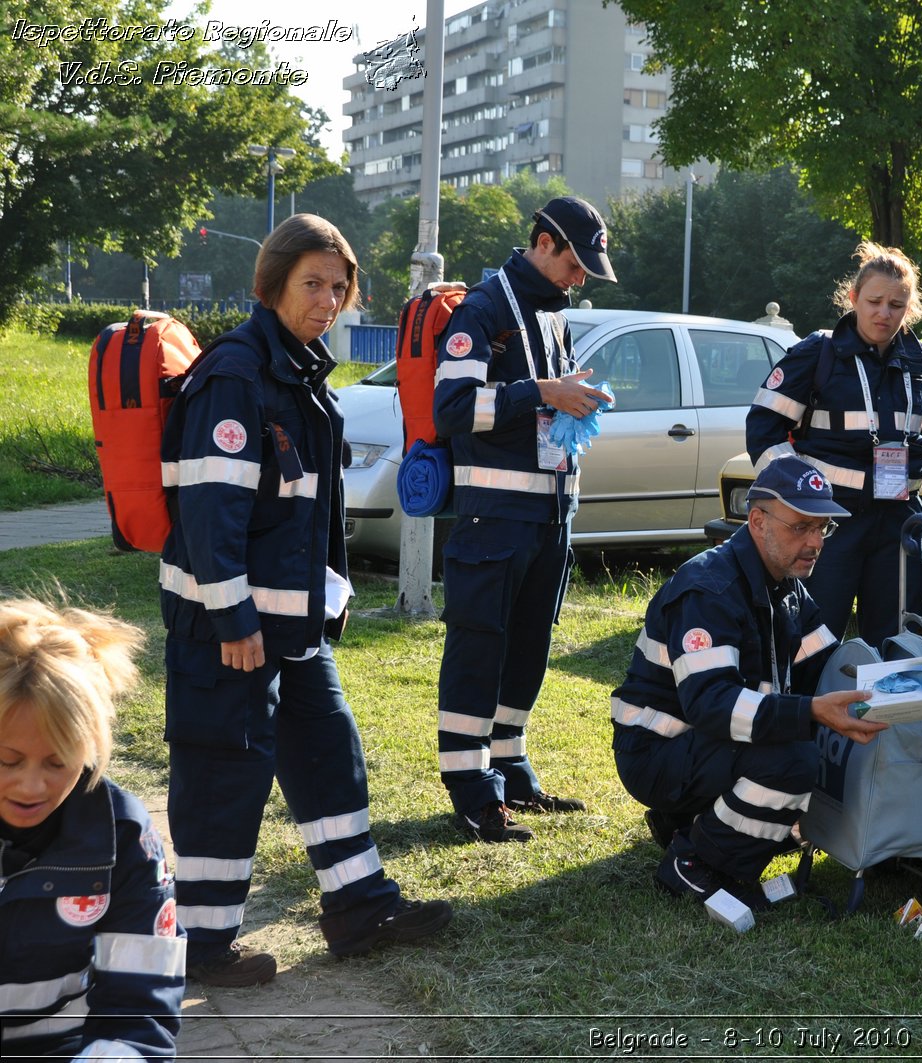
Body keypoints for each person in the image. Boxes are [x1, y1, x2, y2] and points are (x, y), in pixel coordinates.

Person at [161, 214, 452, 986]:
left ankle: (361, 908)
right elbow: (208, 512)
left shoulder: (299, 369)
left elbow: (308, 511)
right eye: (311, 284)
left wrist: (329, 597)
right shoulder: (236, 373)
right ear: (272, 286)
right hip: (229, 626)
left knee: (329, 753)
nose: (328, 300)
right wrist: (232, 617)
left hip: (294, 623)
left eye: (338, 285)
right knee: (226, 772)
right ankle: (200, 945)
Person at [612, 456, 887, 902]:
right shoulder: (709, 589)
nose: (816, 542)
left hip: (697, 743)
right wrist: (812, 713)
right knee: (795, 761)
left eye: (823, 528)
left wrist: (897, 686)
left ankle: (686, 820)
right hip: (655, 752)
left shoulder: (785, 583)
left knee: (803, 758)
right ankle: (694, 863)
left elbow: (828, 666)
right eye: (802, 527)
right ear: (757, 521)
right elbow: (713, 704)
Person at [432, 196, 617, 844]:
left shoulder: (550, 315)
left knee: (529, 647)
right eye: (574, 262)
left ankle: (510, 766)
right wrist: (544, 392)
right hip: (495, 517)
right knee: (480, 647)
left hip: (548, 516)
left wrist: (573, 401)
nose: (580, 277)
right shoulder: (481, 311)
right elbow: (452, 407)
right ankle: (470, 790)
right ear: (542, 242)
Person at [0, 599, 183, 1060]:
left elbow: (141, 1006)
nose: (32, 785)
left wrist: (114, 1054)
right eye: (8, 761)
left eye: (59, 761)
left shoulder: (124, 836)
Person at [745, 243, 922, 648]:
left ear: (909, 309)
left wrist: (912, 463)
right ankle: (810, 711)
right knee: (810, 639)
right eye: (874, 301)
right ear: (853, 298)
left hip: (898, 518)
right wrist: (797, 496)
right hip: (829, 522)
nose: (884, 313)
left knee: (897, 641)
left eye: (896, 304)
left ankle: (887, 712)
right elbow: (764, 428)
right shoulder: (814, 354)